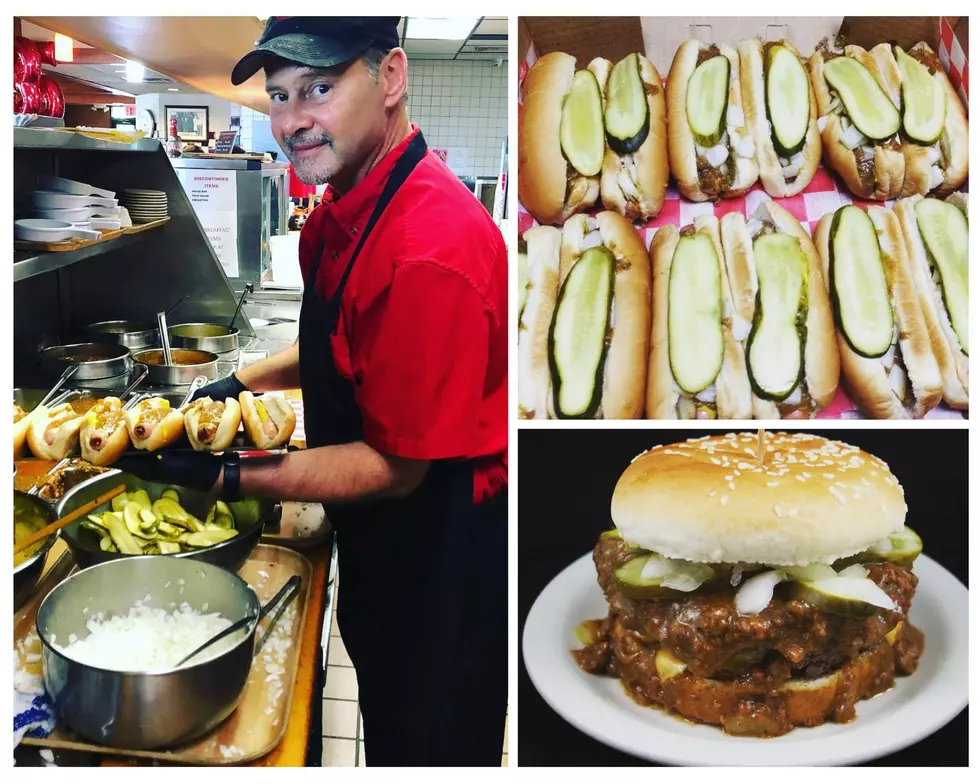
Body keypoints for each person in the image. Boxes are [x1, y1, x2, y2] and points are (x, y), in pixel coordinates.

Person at [117, 17, 507, 767]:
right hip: (380, 540)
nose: (294, 119)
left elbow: (396, 467)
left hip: (440, 561)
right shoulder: (345, 207)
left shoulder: (429, 249)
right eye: (281, 95)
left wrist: (227, 473)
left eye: (320, 89)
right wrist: (233, 382)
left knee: (426, 744)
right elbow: (340, 350)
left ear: (391, 78)